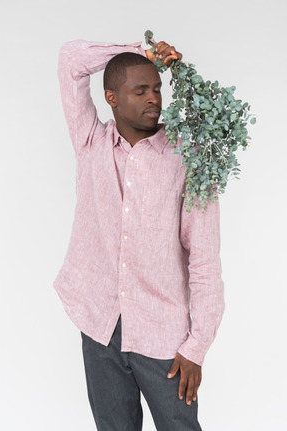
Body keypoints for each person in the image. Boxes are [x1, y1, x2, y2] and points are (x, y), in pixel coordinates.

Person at [53, 37, 225, 431]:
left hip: (163, 335)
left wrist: (196, 347)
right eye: (140, 90)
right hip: (100, 326)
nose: (154, 99)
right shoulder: (91, 144)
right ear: (111, 98)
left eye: (158, 88)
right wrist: (141, 49)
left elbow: (204, 259)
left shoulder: (188, 160)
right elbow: (71, 59)